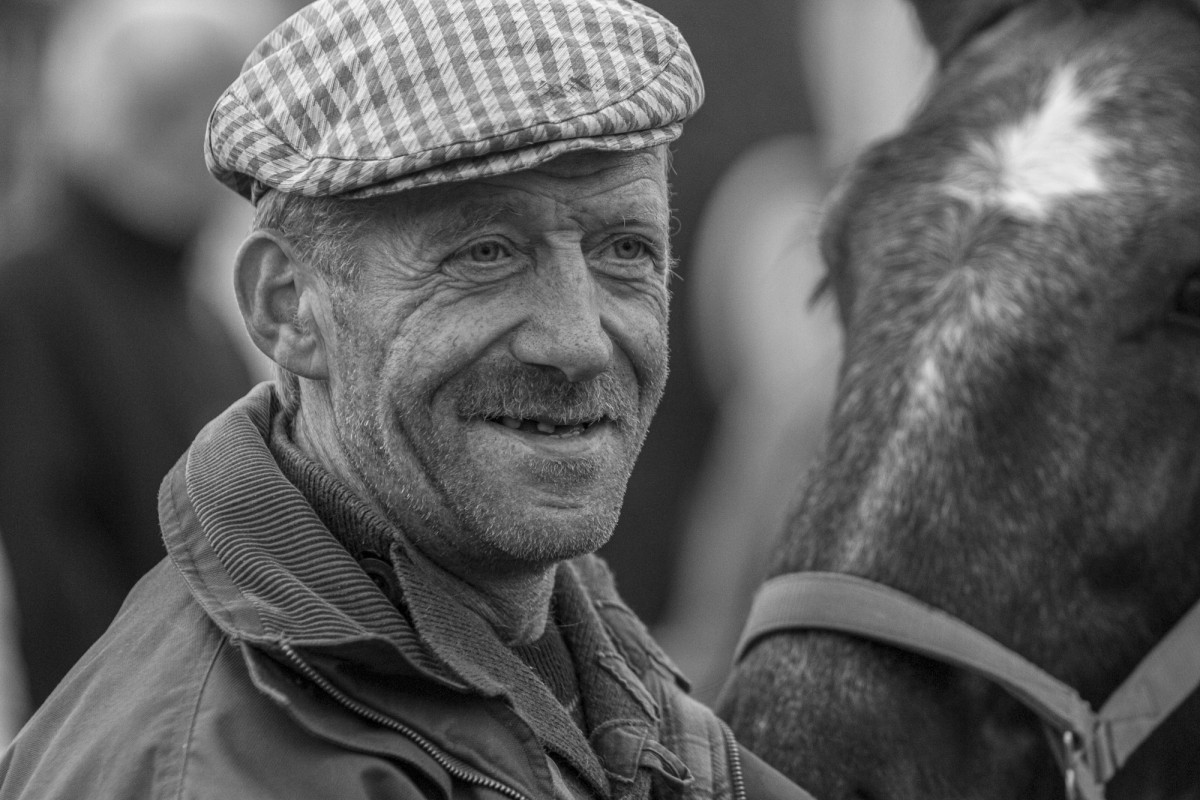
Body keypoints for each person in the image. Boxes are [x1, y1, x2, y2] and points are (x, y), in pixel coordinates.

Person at [0, 1, 815, 798]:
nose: (578, 341)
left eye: (626, 249)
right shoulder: (212, 768)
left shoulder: (566, 645)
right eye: (487, 253)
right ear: (288, 306)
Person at [0, 0, 281, 713]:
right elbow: (48, 551)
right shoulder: (31, 293)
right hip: (116, 728)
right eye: (188, 111)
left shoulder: (197, 309)